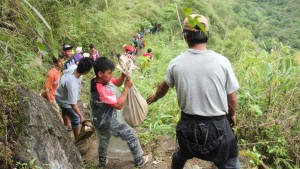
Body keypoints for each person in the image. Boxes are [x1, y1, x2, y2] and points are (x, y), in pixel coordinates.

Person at [147, 14, 240, 169]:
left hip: (188, 127)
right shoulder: (222, 62)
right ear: (207, 35)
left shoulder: (175, 63)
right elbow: (232, 99)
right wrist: (232, 115)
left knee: (181, 153)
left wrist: (155, 96)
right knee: (230, 160)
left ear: (185, 36)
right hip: (217, 127)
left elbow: (163, 87)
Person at [90, 57, 151, 168]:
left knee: (104, 139)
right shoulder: (101, 90)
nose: (111, 76)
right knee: (131, 135)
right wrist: (126, 88)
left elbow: (116, 83)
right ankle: (140, 160)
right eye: (109, 73)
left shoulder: (96, 80)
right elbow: (118, 105)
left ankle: (102, 162)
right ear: (100, 73)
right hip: (108, 121)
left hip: (98, 120)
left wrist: (123, 75)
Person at [55, 57, 94, 140]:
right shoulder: (73, 85)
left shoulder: (73, 67)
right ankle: (77, 139)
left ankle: (66, 125)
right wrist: (81, 117)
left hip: (60, 94)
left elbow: (64, 71)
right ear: (86, 72)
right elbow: (73, 104)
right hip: (63, 100)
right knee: (76, 118)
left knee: (65, 111)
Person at [41, 56, 64, 123]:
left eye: (63, 61)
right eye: (60, 62)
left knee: (57, 110)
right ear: (55, 64)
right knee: (57, 111)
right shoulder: (52, 74)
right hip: (49, 95)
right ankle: (63, 127)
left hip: (53, 94)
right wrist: (50, 100)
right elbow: (46, 88)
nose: (62, 63)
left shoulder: (58, 71)